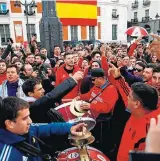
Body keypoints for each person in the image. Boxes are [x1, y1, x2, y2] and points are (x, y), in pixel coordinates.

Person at [0, 97, 87, 161]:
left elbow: (48, 127)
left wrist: (70, 127)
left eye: (29, 116)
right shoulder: (8, 156)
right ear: (10, 123)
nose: (30, 121)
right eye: (24, 118)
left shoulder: (27, 129)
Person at [108, 63, 160, 161]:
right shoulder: (138, 109)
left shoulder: (150, 131)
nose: (157, 82)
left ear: (137, 104)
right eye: (155, 78)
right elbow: (128, 94)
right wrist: (119, 78)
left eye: (129, 98)